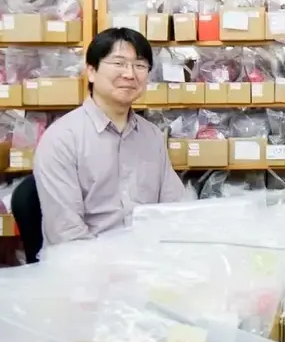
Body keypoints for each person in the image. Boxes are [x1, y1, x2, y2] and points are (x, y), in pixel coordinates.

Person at [35, 27, 186, 245]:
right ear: (91, 71)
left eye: (140, 65)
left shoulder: (152, 136)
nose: (130, 74)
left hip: (148, 258)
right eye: (118, 63)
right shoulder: (62, 139)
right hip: (86, 261)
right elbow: (66, 233)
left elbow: (174, 209)